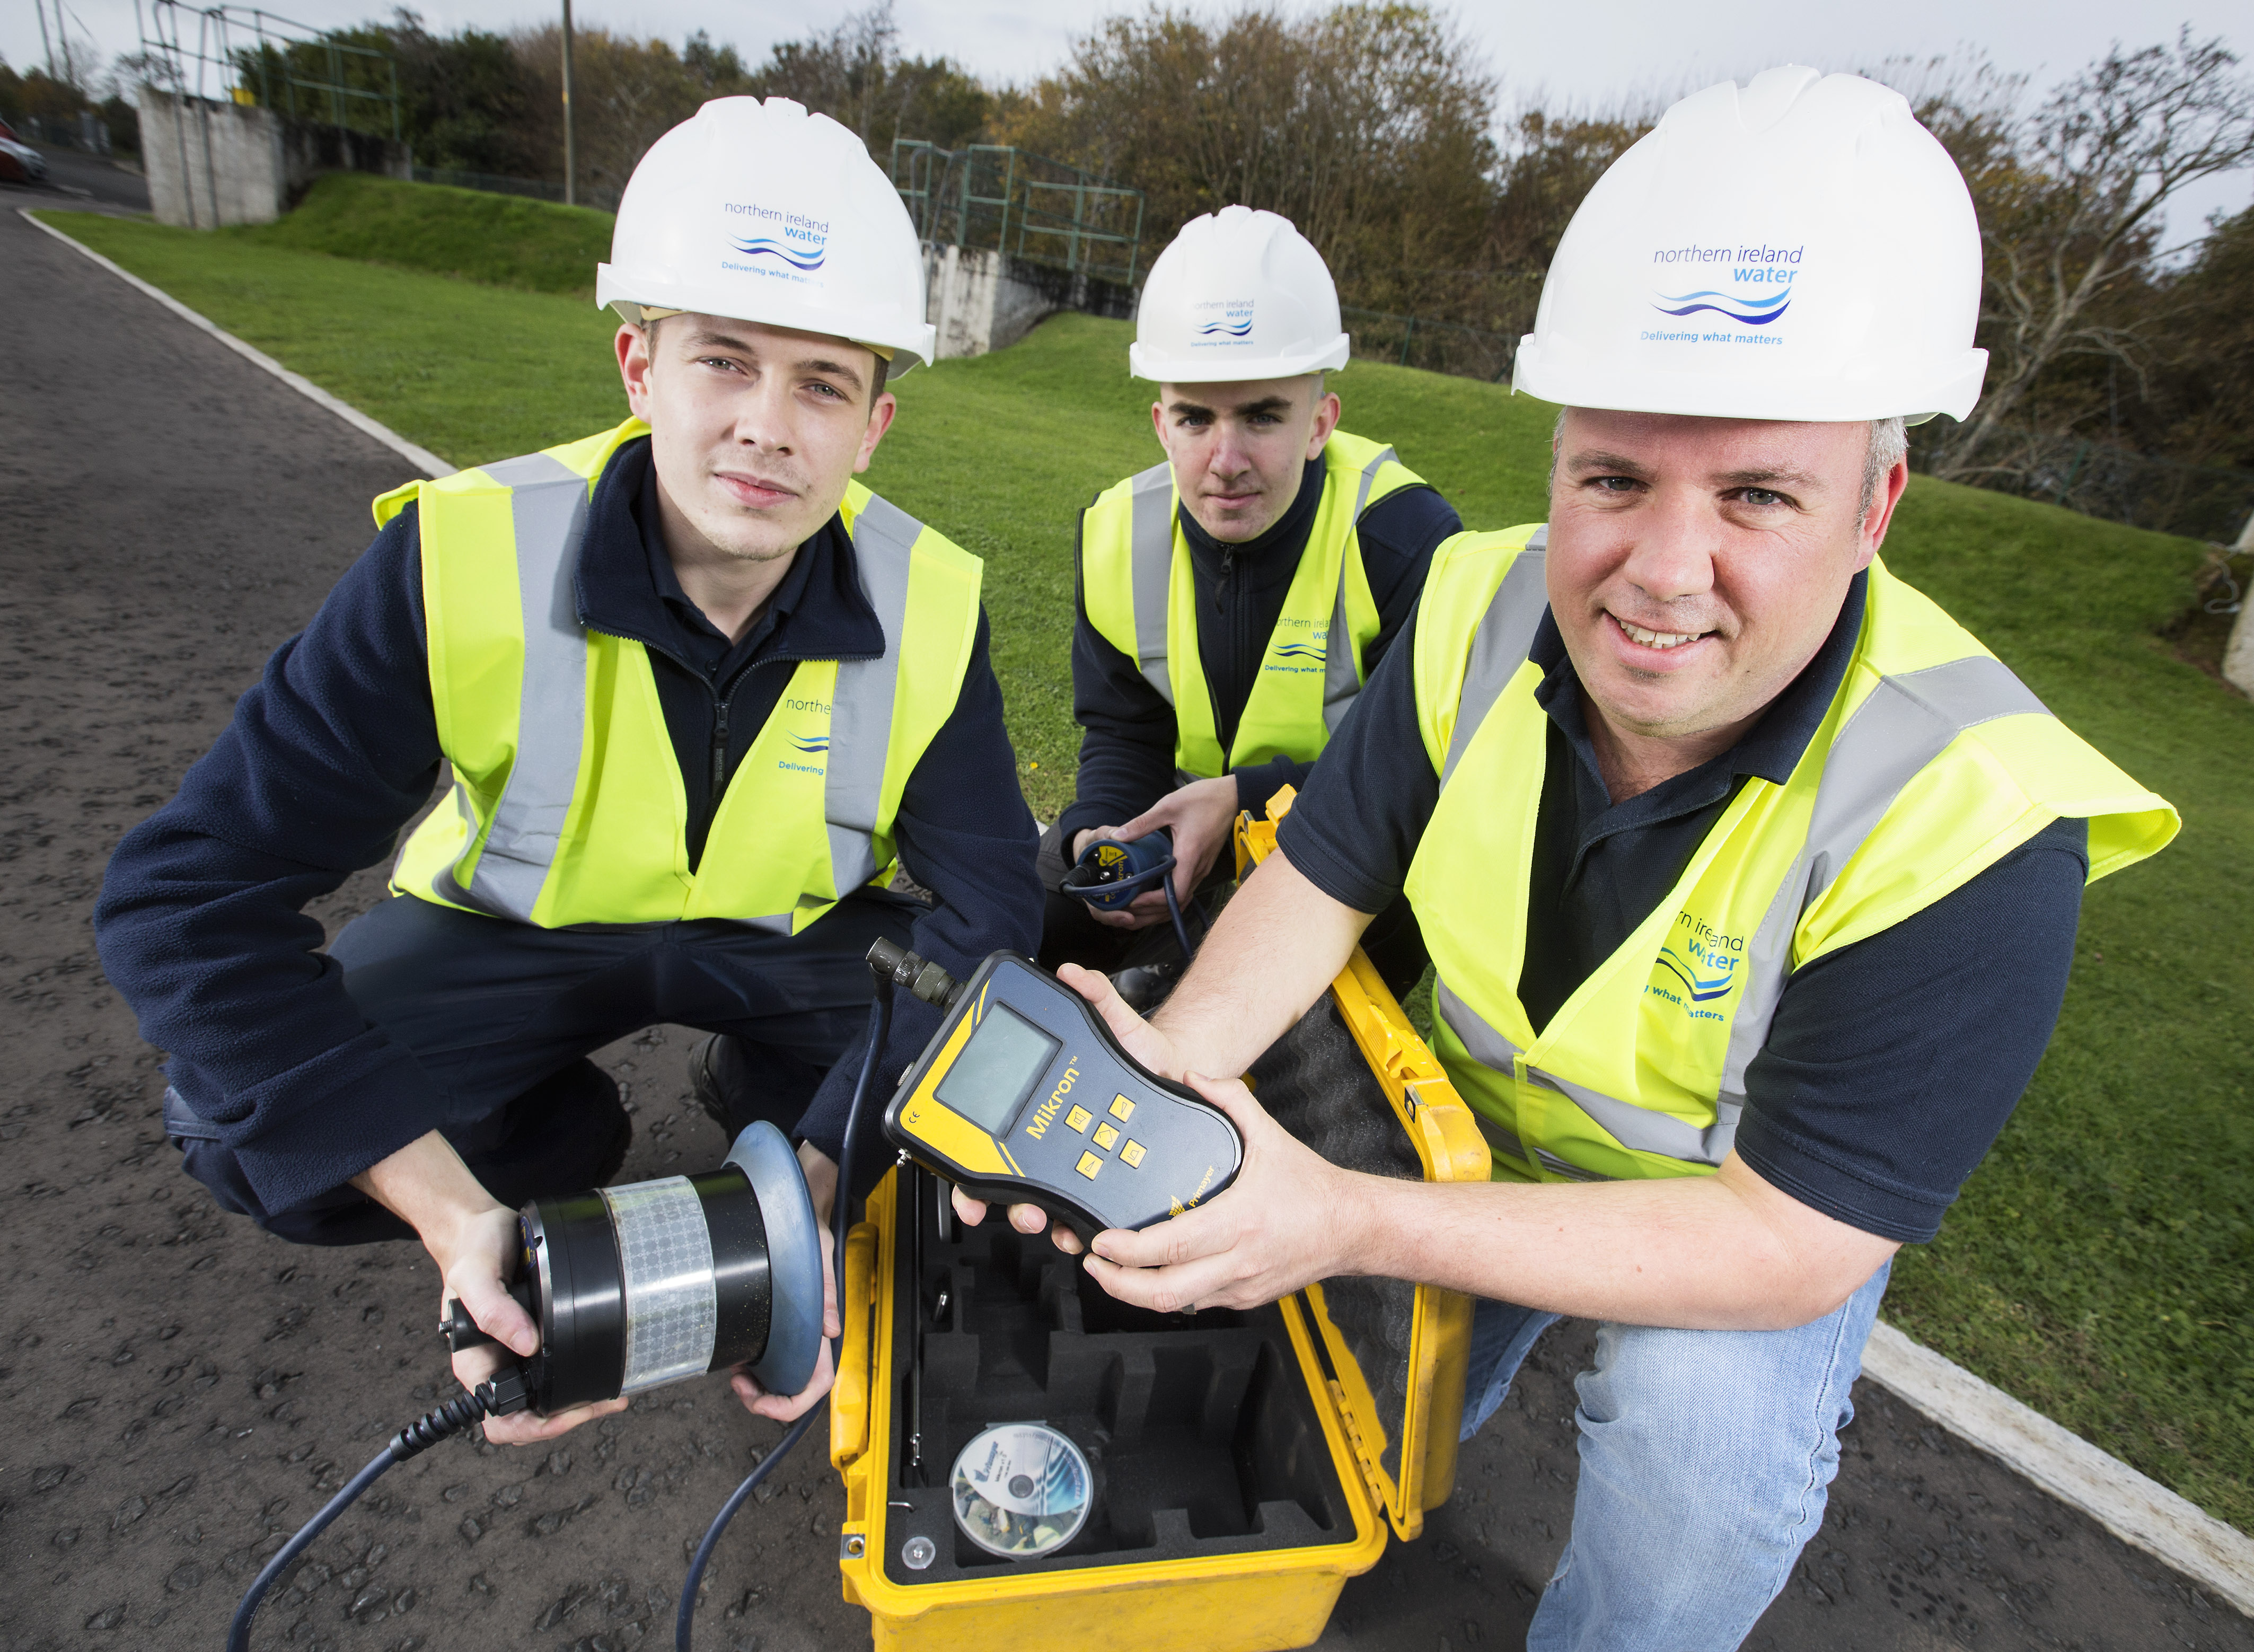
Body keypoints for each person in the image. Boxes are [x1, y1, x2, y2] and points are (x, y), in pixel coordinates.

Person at [963, 67, 2179, 1649]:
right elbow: (1320, 877)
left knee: (1693, 1453)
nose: (1660, 575)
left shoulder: (1972, 814)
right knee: (1340, 1396)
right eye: (1612, 477)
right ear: (1554, 456)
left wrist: (1341, 1213)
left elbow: (1784, 1242)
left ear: (1876, 501)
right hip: (1454, 1121)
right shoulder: (1474, 602)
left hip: (1715, 1211)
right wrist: (1164, 1080)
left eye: (1754, 493)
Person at [93, 97, 1041, 1446]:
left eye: (821, 381)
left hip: (789, 945)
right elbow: (182, 900)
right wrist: (456, 1211)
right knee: (239, 1131)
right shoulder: (464, 550)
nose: (767, 426)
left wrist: (820, 1179)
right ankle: (543, 1137)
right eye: (723, 359)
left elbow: (987, 911)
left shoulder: (930, 598)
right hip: (508, 936)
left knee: (989, 1107)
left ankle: (774, 1104)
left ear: (873, 426)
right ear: (638, 367)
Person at [1042, 205, 1459, 993]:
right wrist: (1109, 833)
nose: (1225, 459)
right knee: (1022, 911)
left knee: (1213, 1030)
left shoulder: (1403, 538)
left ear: (1319, 423)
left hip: (1353, 865)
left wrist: (1240, 807)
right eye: (1197, 418)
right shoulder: (1115, 535)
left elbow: (1429, 776)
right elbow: (1125, 730)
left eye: (1262, 416)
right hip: (1188, 842)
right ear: (1161, 425)